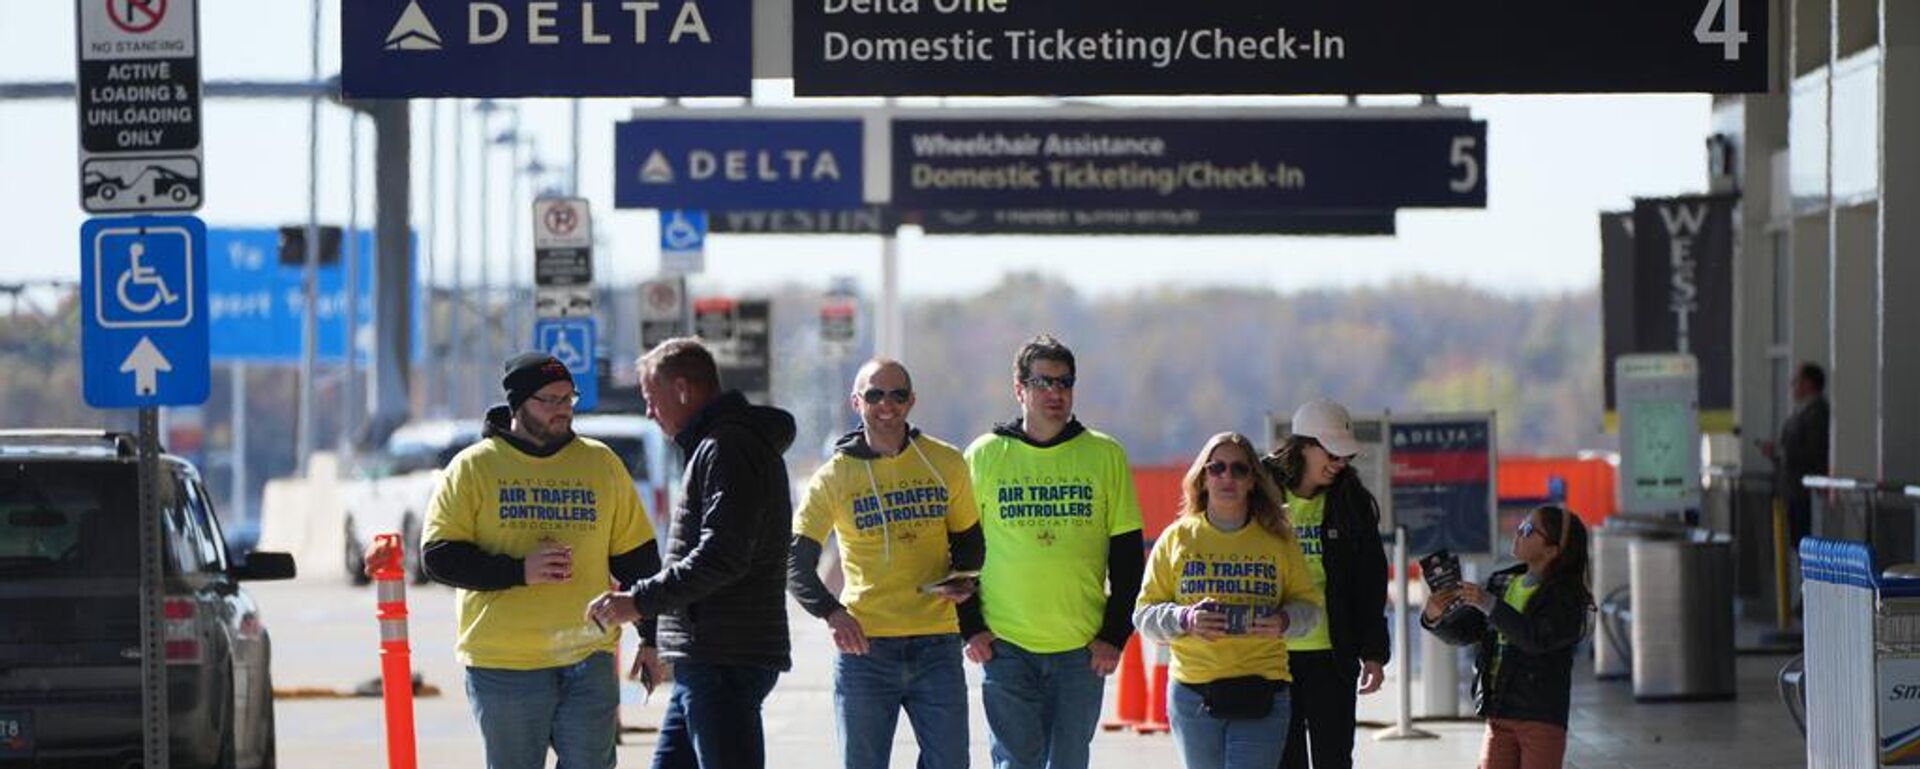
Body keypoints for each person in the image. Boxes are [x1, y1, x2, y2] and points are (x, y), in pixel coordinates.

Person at [420, 352, 661, 769]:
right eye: (548, 400)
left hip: (589, 656)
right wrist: (519, 571)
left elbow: (638, 561)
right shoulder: (474, 468)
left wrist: (652, 637)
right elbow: (439, 556)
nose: (562, 410)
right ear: (518, 405)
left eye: (568, 398)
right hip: (504, 662)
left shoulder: (600, 464)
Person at [585, 338, 797, 769]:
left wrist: (639, 601)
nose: (648, 411)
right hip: (708, 655)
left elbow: (723, 554)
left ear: (682, 389)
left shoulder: (728, 447)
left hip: (725, 656)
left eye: (650, 397)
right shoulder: (720, 444)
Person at [788, 358, 986, 769]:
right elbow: (795, 563)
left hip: (937, 643)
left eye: (897, 395)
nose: (887, 404)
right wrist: (833, 614)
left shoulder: (945, 462)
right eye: (875, 395)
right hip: (866, 648)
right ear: (856, 402)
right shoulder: (834, 477)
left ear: (911, 401)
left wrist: (962, 582)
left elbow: (971, 546)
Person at [964, 334, 1145, 769]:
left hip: (1081, 650)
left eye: (1064, 383)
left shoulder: (1104, 455)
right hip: (1006, 645)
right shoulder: (985, 456)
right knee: (1015, 762)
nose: (1055, 394)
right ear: (1019, 389)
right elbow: (959, 552)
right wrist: (969, 627)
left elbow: (1127, 557)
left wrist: (1114, 635)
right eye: (1043, 383)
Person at [1134, 432, 1322, 769]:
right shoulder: (1177, 537)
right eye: (1216, 468)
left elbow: (1310, 610)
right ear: (1203, 478)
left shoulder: (1278, 540)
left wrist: (1283, 621)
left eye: (1239, 469)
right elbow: (1143, 615)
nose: (1227, 477)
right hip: (1194, 693)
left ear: (1253, 480)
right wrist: (1184, 619)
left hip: (1262, 690)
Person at [1259, 400, 1389, 769]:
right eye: (1331, 453)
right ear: (1303, 445)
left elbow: (1370, 583)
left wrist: (1374, 653)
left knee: (1334, 758)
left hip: (1332, 653)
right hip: (1271, 654)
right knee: (1285, 760)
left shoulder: (1352, 502)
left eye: (1345, 456)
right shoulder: (1259, 492)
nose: (1339, 464)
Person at [1420, 506, 1593, 769]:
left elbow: (1536, 639)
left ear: (1552, 550)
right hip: (1499, 710)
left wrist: (1489, 604)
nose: (1518, 532)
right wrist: (1434, 617)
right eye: (1521, 525)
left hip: (1540, 715)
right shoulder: (1503, 582)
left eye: (1528, 530)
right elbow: (1467, 632)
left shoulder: (1565, 598)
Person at [1758, 362, 1829, 546]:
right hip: (1792, 491)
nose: (1792, 386)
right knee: (1794, 541)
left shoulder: (1817, 413)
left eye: (1796, 381)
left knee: (1804, 542)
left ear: (1808, 384)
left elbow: (1812, 452)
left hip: (1804, 493)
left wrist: (1781, 453)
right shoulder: (1800, 413)